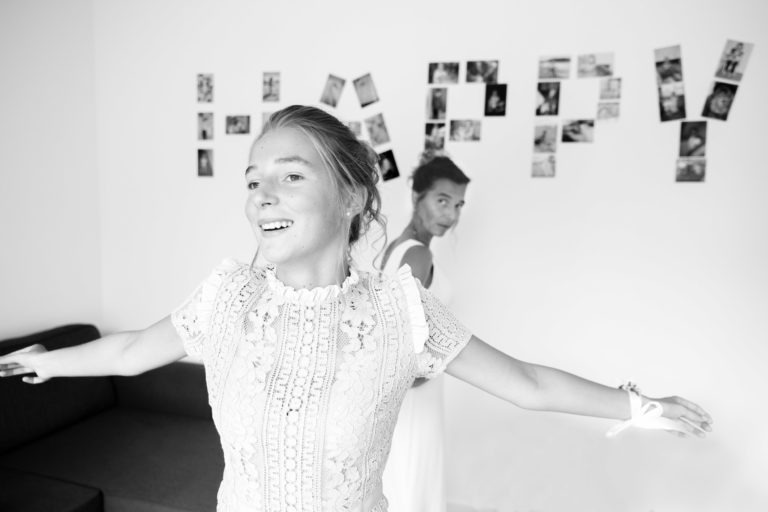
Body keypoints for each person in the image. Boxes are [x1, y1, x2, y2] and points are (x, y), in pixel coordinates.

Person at [0, 105, 712, 512]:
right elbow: (129, 351)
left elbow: (526, 384)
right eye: (253, 181)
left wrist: (639, 406)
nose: (262, 196)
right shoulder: (226, 296)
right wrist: (45, 362)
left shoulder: (402, 310)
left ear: (350, 198)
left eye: (290, 175)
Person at [380, 152, 469, 512]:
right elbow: (401, 335)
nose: (451, 215)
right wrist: (422, 375)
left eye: (459, 205)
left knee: (404, 483)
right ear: (417, 197)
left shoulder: (397, 248)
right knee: (413, 487)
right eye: (442, 200)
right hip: (415, 398)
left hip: (408, 396)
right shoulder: (419, 255)